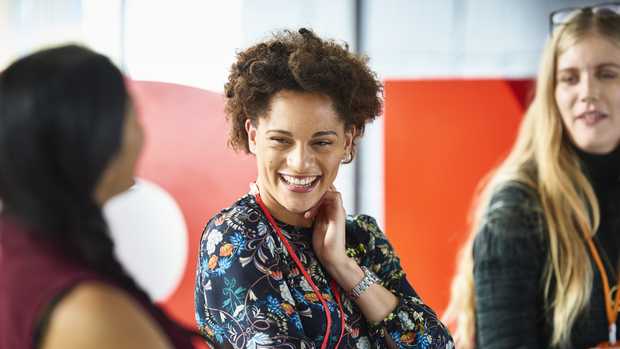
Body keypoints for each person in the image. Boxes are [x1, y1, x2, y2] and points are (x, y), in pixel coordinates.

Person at [194, 28, 453, 349]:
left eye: (321, 142)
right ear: (252, 135)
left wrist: (343, 266)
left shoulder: (362, 237)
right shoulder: (236, 236)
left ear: (347, 141)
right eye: (280, 140)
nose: (301, 162)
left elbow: (436, 344)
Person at [444, 4, 620, 349]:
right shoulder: (517, 208)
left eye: (607, 73)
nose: (587, 92)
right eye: (569, 78)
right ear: (553, 95)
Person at [0, 45, 199, 349]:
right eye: (132, 115)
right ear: (98, 143)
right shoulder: (88, 313)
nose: (142, 131)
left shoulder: (19, 249)